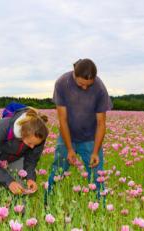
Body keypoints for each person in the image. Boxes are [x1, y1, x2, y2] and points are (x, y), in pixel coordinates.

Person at [45, 58, 113, 205]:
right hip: (67, 135)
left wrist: (95, 152)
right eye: (81, 84)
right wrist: (69, 149)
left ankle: (101, 207)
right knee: (58, 170)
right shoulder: (62, 83)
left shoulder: (100, 88)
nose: (84, 88)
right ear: (74, 74)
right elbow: (62, 120)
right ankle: (47, 203)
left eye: (89, 85)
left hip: (90, 138)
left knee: (97, 174)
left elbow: (101, 124)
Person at [0, 106, 49, 196]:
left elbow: (31, 160)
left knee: (20, 190)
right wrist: (9, 182)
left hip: (16, 157)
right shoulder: (3, 127)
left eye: (35, 144)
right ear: (23, 133)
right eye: (30, 143)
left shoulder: (40, 135)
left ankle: (19, 208)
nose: (32, 147)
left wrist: (30, 178)